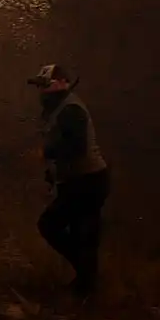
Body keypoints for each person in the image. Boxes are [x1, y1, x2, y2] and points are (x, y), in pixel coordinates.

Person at [27, 64, 110, 297]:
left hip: (88, 182)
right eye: (40, 86)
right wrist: (53, 174)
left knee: (52, 225)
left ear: (62, 83)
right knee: (80, 235)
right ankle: (86, 285)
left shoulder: (70, 109)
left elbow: (76, 147)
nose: (41, 92)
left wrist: (47, 153)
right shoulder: (60, 108)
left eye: (45, 85)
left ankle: (88, 280)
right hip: (81, 181)